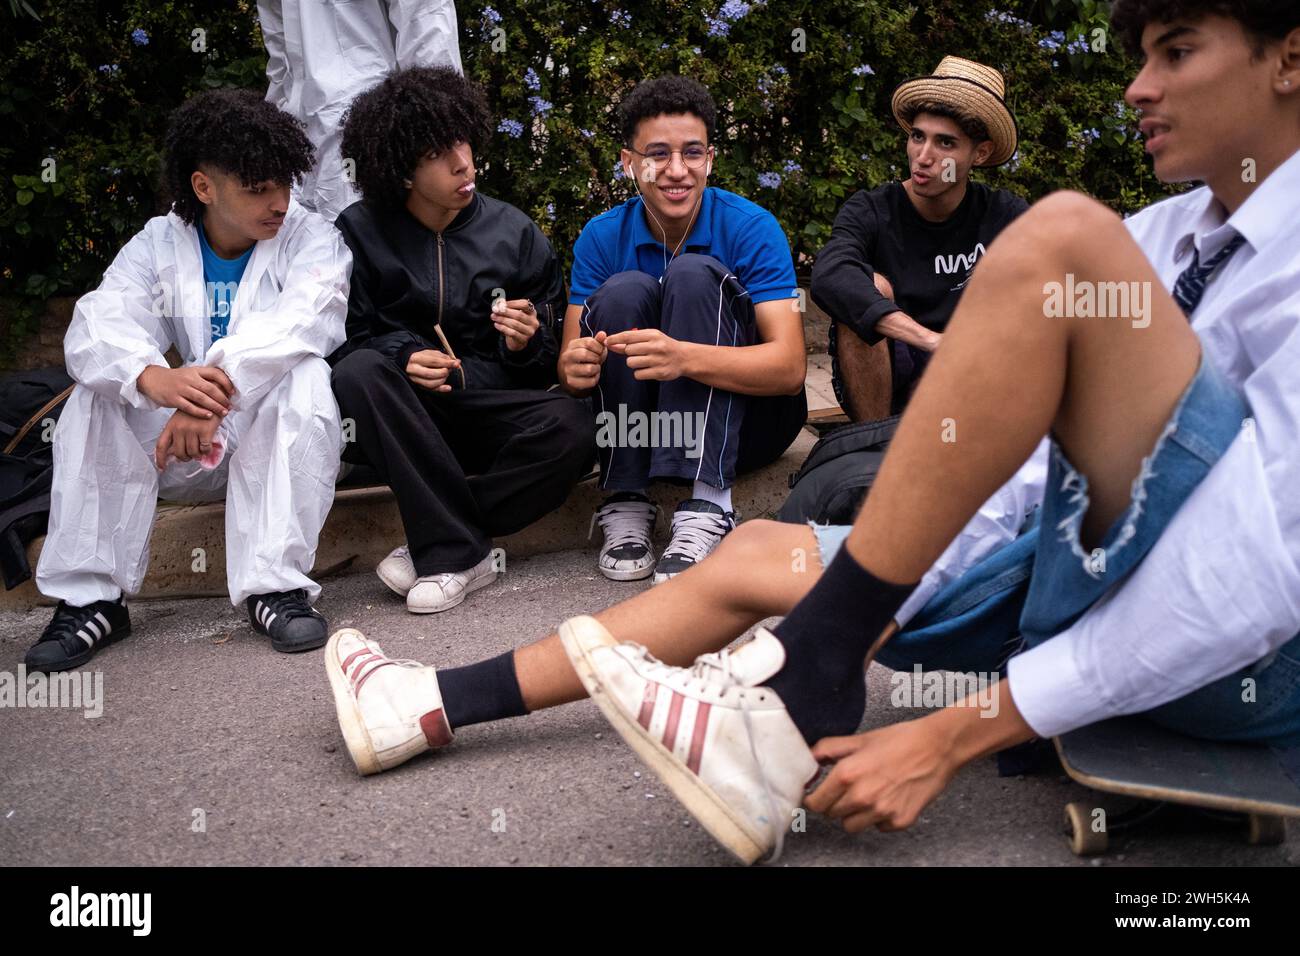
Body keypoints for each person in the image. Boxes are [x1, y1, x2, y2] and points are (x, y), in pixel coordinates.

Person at [324, 0, 1300, 864]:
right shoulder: (1165, 237)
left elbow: (1256, 584)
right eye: (1139, 57)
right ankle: (428, 700)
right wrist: (872, 593)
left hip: (1243, 657)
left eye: (1174, 52)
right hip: (1078, 572)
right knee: (758, 549)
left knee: (1059, 239)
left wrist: (951, 733)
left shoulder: (1093, 243)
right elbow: (1028, 482)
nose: (1137, 87)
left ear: (1287, 57)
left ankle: (798, 688)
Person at [29, 89, 352, 672]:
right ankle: (91, 600)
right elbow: (99, 321)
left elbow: (307, 321)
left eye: (284, 184)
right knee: (97, 392)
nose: (278, 203)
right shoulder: (158, 242)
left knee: (305, 373)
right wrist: (152, 379)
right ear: (204, 187)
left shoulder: (311, 238)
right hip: (175, 450)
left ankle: (273, 587)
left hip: (261, 440)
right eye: (258, 189)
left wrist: (209, 396)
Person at [328, 67, 593, 615]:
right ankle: (458, 551)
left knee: (576, 427)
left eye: (463, 142)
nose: (462, 163)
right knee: (357, 374)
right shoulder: (359, 231)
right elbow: (341, 343)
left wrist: (525, 344)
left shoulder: (515, 232)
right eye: (437, 154)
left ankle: (439, 539)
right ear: (400, 168)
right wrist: (401, 356)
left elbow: (544, 368)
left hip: (485, 413)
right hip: (402, 422)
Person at [559, 75, 807, 584]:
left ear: (710, 159)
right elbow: (570, 368)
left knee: (694, 274)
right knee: (626, 288)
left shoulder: (751, 226)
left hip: (750, 425)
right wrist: (576, 365)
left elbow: (789, 369)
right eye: (657, 155)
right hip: (644, 429)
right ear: (628, 163)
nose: (677, 171)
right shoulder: (601, 237)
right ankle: (626, 498)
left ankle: (709, 502)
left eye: (692, 153)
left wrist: (685, 358)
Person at [812, 56, 1028, 421]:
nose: (923, 157)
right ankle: (875, 449)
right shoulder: (872, 209)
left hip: (976, 378)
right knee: (865, 287)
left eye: (945, 143)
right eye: (917, 137)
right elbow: (830, 274)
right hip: (892, 377)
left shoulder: (1003, 214)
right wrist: (931, 340)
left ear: (981, 153)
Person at [257, 0, 462, 221]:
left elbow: (423, 18)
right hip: (316, 128)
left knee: (363, 238)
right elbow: (424, 18)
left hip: (367, 123)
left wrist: (436, 128)